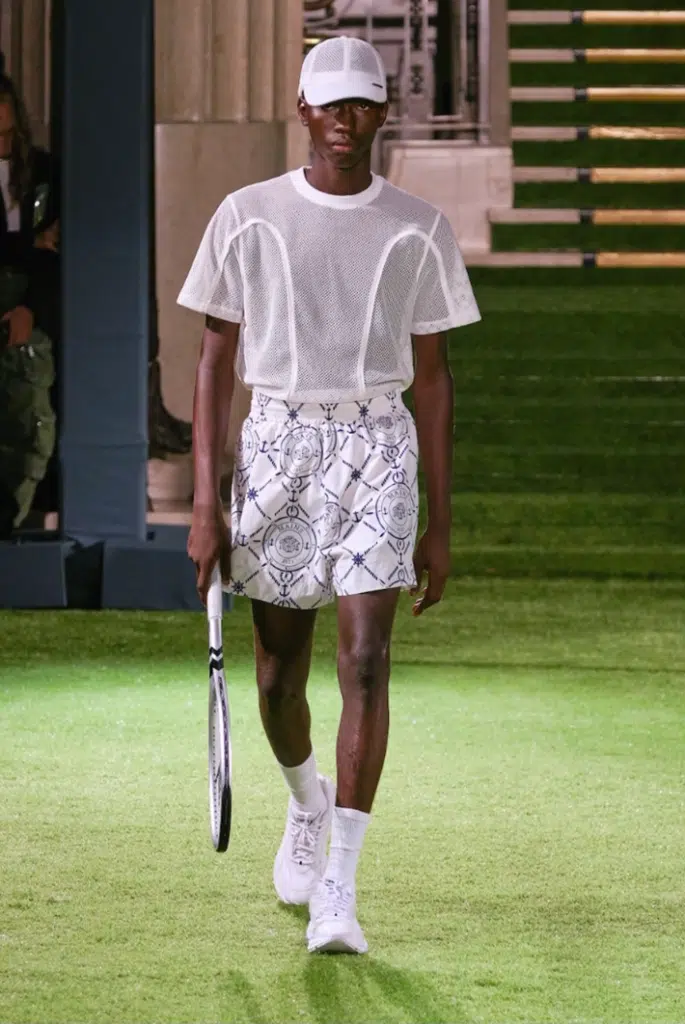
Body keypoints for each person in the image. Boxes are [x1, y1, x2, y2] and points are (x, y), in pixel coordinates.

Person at [179, 36, 481, 954]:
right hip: (276, 440)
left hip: (377, 440)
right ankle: (305, 803)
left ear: (382, 113)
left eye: (363, 106)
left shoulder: (419, 227)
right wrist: (204, 502)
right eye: (331, 105)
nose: (346, 122)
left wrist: (439, 517)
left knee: (365, 663)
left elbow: (432, 378)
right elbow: (213, 363)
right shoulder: (246, 213)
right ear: (303, 109)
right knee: (277, 674)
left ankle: (340, 889)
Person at [0, 67, 60, 535]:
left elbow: (59, 253)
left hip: (28, 320)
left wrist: (30, 306)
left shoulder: (43, 172)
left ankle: (14, 525)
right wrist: (28, 245)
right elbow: (34, 246)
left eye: (7, 133)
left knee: (29, 429)